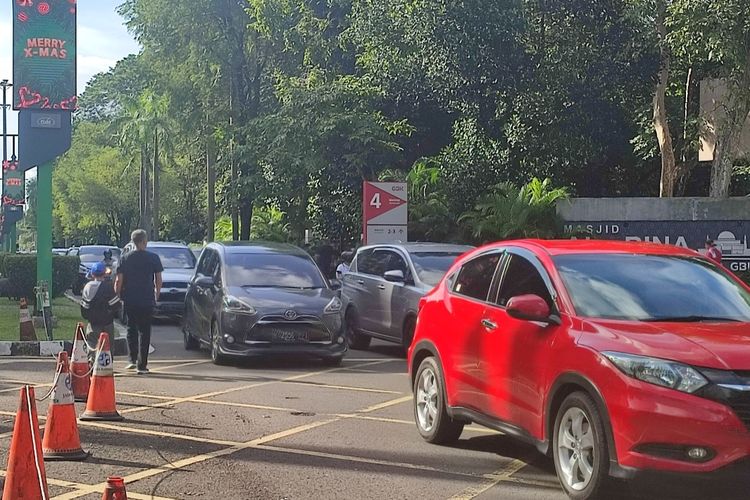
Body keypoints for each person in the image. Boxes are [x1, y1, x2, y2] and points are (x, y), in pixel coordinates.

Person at [115, 229, 163, 374]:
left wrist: (117, 294)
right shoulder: (153, 258)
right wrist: (157, 294)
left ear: (133, 242)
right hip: (147, 298)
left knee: (131, 328)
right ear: (144, 241)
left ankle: (132, 360)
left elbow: (119, 280)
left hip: (130, 298)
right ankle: (142, 366)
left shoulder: (125, 257)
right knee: (145, 331)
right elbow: (158, 279)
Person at [80, 262, 121, 362]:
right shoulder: (108, 287)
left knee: (92, 343)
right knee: (108, 345)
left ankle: (92, 362)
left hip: (93, 322)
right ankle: (107, 365)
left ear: (92, 274)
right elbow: (116, 305)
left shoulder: (87, 287)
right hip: (107, 322)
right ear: (105, 274)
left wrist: (88, 317)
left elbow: (84, 307)